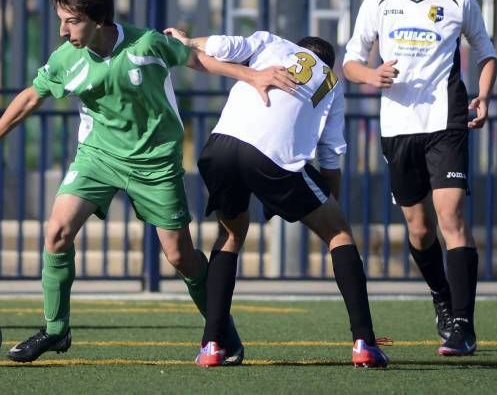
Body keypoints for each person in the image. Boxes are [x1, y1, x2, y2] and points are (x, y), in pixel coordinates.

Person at [0, 0, 293, 364]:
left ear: (99, 20)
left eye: (71, 20)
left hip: (155, 161)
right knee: (57, 232)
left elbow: (196, 59)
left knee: (180, 256)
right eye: (61, 19)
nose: (62, 30)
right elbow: (32, 96)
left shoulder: (146, 44)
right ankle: (56, 330)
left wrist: (254, 76)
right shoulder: (66, 59)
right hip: (98, 157)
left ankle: (220, 329)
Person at [165, 27, 390, 369]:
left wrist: (188, 41)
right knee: (339, 233)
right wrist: (332, 208)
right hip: (270, 156)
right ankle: (364, 343)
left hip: (220, 147)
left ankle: (211, 346)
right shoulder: (330, 79)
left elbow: (226, 45)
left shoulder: (272, 43)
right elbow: (331, 154)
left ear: (298, 48)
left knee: (230, 236)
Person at [342, 0, 497, 356]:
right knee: (419, 228)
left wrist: (483, 96)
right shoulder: (377, 1)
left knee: (451, 220)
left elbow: (486, 54)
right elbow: (350, 62)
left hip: (446, 122)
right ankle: (442, 298)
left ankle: (463, 326)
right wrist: (372, 75)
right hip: (398, 128)